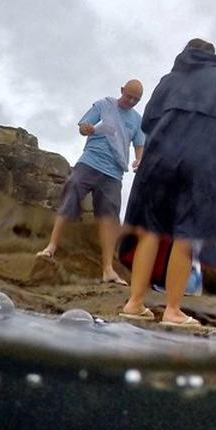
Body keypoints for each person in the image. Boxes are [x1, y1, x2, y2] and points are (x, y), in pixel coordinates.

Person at [120, 39, 216, 327]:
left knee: (151, 229)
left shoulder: (169, 81)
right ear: (214, 57)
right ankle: (173, 310)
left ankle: (134, 303)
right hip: (203, 161)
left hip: (160, 158)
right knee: (187, 233)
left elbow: (148, 123)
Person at [36, 80, 146, 285]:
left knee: (109, 218)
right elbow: (83, 127)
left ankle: (108, 269)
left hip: (114, 172)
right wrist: (86, 129)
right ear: (121, 91)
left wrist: (139, 159)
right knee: (71, 195)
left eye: (136, 99)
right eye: (128, 96)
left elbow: (139, 143)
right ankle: (51, 247)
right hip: (89, 162)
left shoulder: (137, 120)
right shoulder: (103, 105)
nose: (130, 101)